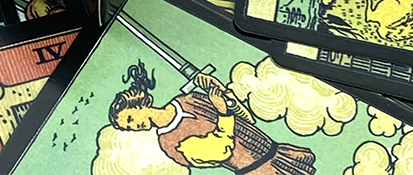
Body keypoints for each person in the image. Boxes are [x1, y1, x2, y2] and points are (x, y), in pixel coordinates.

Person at [108, 62, 316, 173]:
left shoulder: (187, 99)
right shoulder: (168, 142)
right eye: (128, 127)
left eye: (130, 119)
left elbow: (245, 118)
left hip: (276, 152)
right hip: (256, 170)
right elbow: (220, 150)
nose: (134, 126)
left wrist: (218, 90)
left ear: (139, 104)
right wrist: (223, 113)